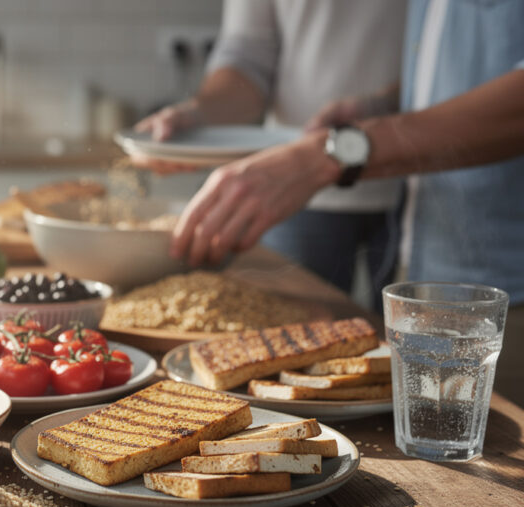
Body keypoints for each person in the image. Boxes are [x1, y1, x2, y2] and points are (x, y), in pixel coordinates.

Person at [166, 0, 524, 404]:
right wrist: (382, 107)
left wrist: (336, 152)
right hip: (428, 241)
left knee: (486, 442)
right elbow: (454, 70)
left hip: (502, 275)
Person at [134, 0, 407, 306]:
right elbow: (247, 57)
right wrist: (199, 113)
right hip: (293, 189)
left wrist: (387, 107)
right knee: (295, 325)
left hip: (424, 182)